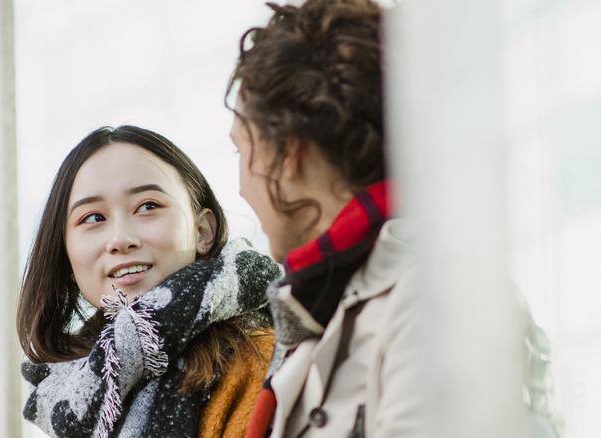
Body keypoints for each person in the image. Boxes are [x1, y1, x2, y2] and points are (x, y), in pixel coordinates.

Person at [227, 1, 564, 437]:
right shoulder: (329, 306)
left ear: (286, 153)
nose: (238, 186)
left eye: (241, 150)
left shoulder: (432, 297)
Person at [16, 125, 282, 438]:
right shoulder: (67, 390)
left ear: (203, 232)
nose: (120, 239)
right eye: (93, 218)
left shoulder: (265, 362)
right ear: (67, 256)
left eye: (148, 206)